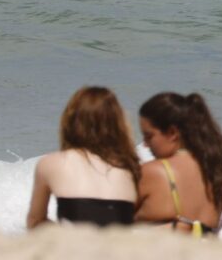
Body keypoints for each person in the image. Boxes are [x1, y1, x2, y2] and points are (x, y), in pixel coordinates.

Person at [26, 86, 141, 229]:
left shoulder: (51, 164)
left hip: (77, 248)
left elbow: (34, 222)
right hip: (119, 248)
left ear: (70, 120)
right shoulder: (131, 167)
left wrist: (63, 232)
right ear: (117, 123)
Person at [134, 92, 222, 237]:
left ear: (173, 133)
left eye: (149, 136)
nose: (145, 144)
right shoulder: (216, 174)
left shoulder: (154, 172)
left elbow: (114, 220)